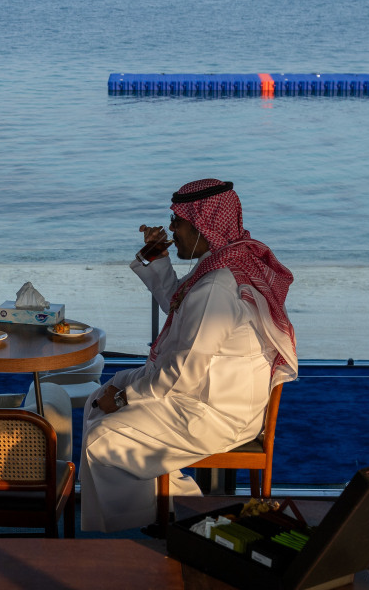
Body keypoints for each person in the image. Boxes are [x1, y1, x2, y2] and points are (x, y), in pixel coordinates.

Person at [79, 179, 298, 533]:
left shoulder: (217, 286)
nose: (171, 229)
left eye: (177, 221)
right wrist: (156, 257)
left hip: (216, 410)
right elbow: (181, 306)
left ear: (203, 226)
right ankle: (170, 507)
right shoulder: (223, 263)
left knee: (104, 438)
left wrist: (123, 399)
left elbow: (183, 372)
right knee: (99, 398)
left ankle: (166, 518)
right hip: (209, 390)